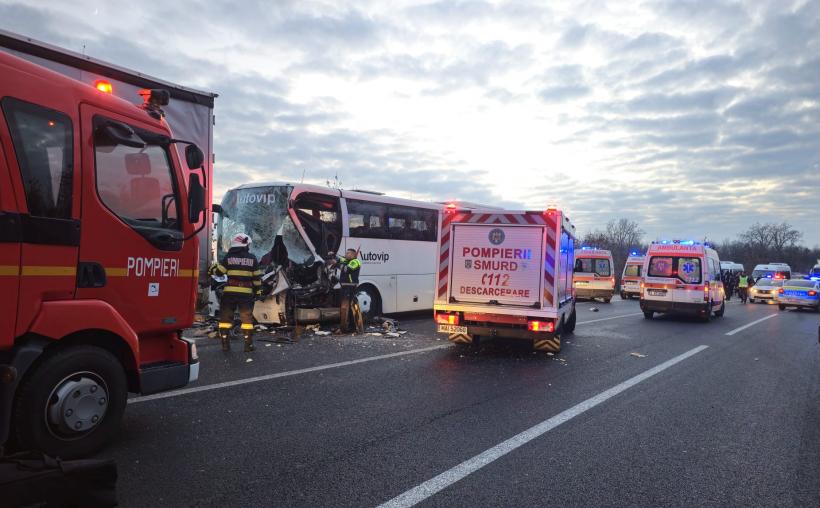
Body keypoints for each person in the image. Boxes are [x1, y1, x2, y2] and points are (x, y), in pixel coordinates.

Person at [210, 233, 262, 352]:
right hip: (246, 294)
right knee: (247, 320)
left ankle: (225, 345)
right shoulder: (252, 258)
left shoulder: (228, 257)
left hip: (229, 293)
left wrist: (213, 268)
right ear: (245, 244)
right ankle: (248, 345)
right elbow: (257, 278)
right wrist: (258, 291)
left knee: (225, 320)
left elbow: (219, 272)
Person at [329, 248, 362, 332]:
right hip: (345, 287)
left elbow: (347, 269)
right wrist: (333, 255)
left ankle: (352, 327)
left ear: (353, 255)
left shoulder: (355, 262)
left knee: (349, 307)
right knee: (345, 307)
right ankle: (347, 325)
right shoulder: (346, 260)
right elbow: (339, 259)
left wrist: (337, 264)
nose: (346, 254)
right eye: (346, 253)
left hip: (350, 287)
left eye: (348, 253)